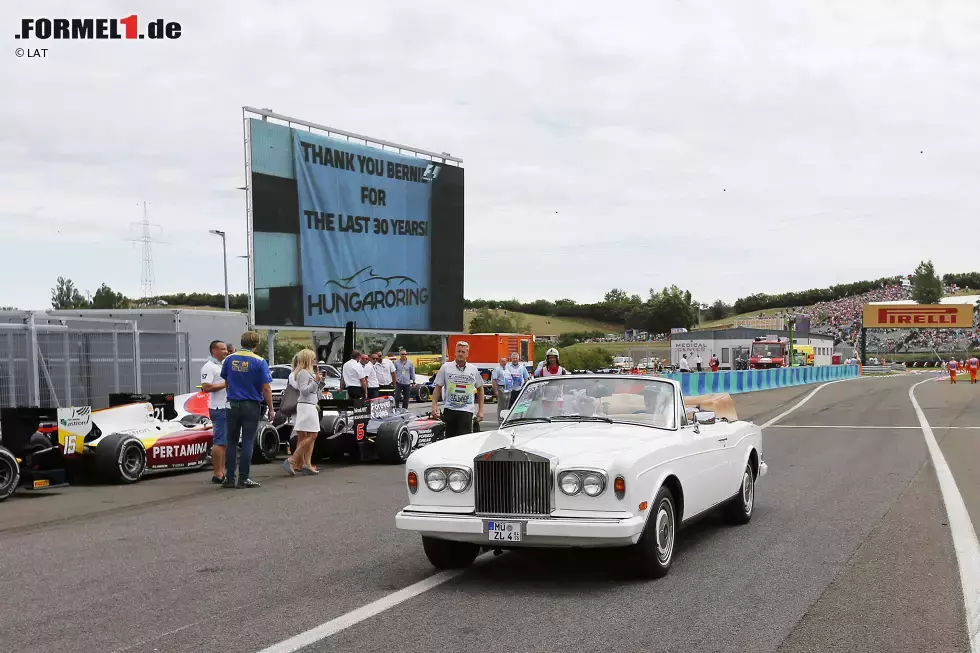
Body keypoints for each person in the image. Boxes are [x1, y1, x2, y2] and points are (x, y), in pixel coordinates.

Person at [220, 331, 273, 489]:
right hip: (250, 404)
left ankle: (229, 477)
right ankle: (244, 478)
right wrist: (271, 409)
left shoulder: (229, 359)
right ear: (256, 345)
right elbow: (266, 387)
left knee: (231, 441)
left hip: (232, 403)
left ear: (241, 342)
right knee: (248, 441)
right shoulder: (260, 361)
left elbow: (227, 381)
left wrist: (231, 395)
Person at [431, 341, 484, 437]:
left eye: (463, 352)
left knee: (464, 440)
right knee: (449, 440)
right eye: (458, 351)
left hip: (466, 411)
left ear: (467, 354)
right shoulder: (446, 367)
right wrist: (434, 406)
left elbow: (480, 390)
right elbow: (438, 387)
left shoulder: (473, 369)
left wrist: (480, 410)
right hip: (450, 409)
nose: (460, 354)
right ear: (454, 352)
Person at [282, 349, 321, 476]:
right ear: (308, 359)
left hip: (310, 405)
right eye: (313, 358)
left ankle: (306, 464)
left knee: (309, 435)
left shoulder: (307, 372)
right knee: (312, 435)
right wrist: (316, 381)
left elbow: (312, 390)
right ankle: (293, 460)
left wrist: (318, 382)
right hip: (306, 406)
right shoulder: (303, 373)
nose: (315, 361)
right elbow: (304, 391)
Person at [200, 340, 229, 485]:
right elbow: (206, 387)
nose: (226, 351)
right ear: (214, 351)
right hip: (218, 408)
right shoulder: (209, 367)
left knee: (225, 442)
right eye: (222, 349)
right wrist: (225, 384)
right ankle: (217, 473)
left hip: (227, 406)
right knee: (220, 441)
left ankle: (222, 471)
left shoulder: (222, 365)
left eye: (226, 349)